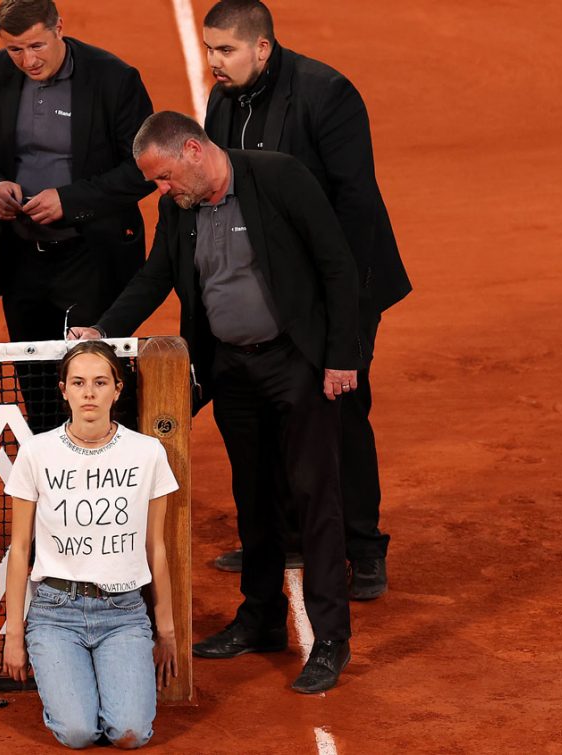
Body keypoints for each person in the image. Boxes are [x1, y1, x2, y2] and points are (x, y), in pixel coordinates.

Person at [72, 112, 358, 693]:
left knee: (313, 494)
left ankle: (330, 637)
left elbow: (337, 265)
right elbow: (155, 277)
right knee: (252, 494)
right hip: (231, 368)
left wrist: (341, 357)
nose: (161, 189)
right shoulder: (179, 211)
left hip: (295, 363)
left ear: (195, 152)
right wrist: (102, 330)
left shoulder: (280, 179)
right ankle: (262, 619)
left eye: (165, 176)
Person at [201, 0, 411, 599]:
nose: (213, 62)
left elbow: (357, 204)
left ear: (261, 48)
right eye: (210, 49)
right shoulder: (223, 102)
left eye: (225, 50)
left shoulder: (326, 94)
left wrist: (337, 305)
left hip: (343, 281)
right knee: (271, 409)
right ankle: (285, 533)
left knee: (341, 411)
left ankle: (364, 547)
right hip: (276, 290)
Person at [0, 0, 154, 433]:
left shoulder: (114, 79)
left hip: (89, 258)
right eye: (15, 50)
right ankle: (55, 489)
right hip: (21, 258)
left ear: (59, 29)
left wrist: (69, 201)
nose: (27, 61)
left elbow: (141, 169)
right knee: (35, 381)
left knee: (96, 385)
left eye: (36, 46)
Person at [2, 341, 179, 748]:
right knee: (78, 733)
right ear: (63, 389)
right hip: (54, 613)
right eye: (78, 382)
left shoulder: (147, 453)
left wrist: (165, 630)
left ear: (118, 389)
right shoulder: (36, 453)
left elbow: (157, 548)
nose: (89, 392)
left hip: (124, 613)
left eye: (100, 382)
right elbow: (19, 549)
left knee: (130, 734)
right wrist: (15, 634)